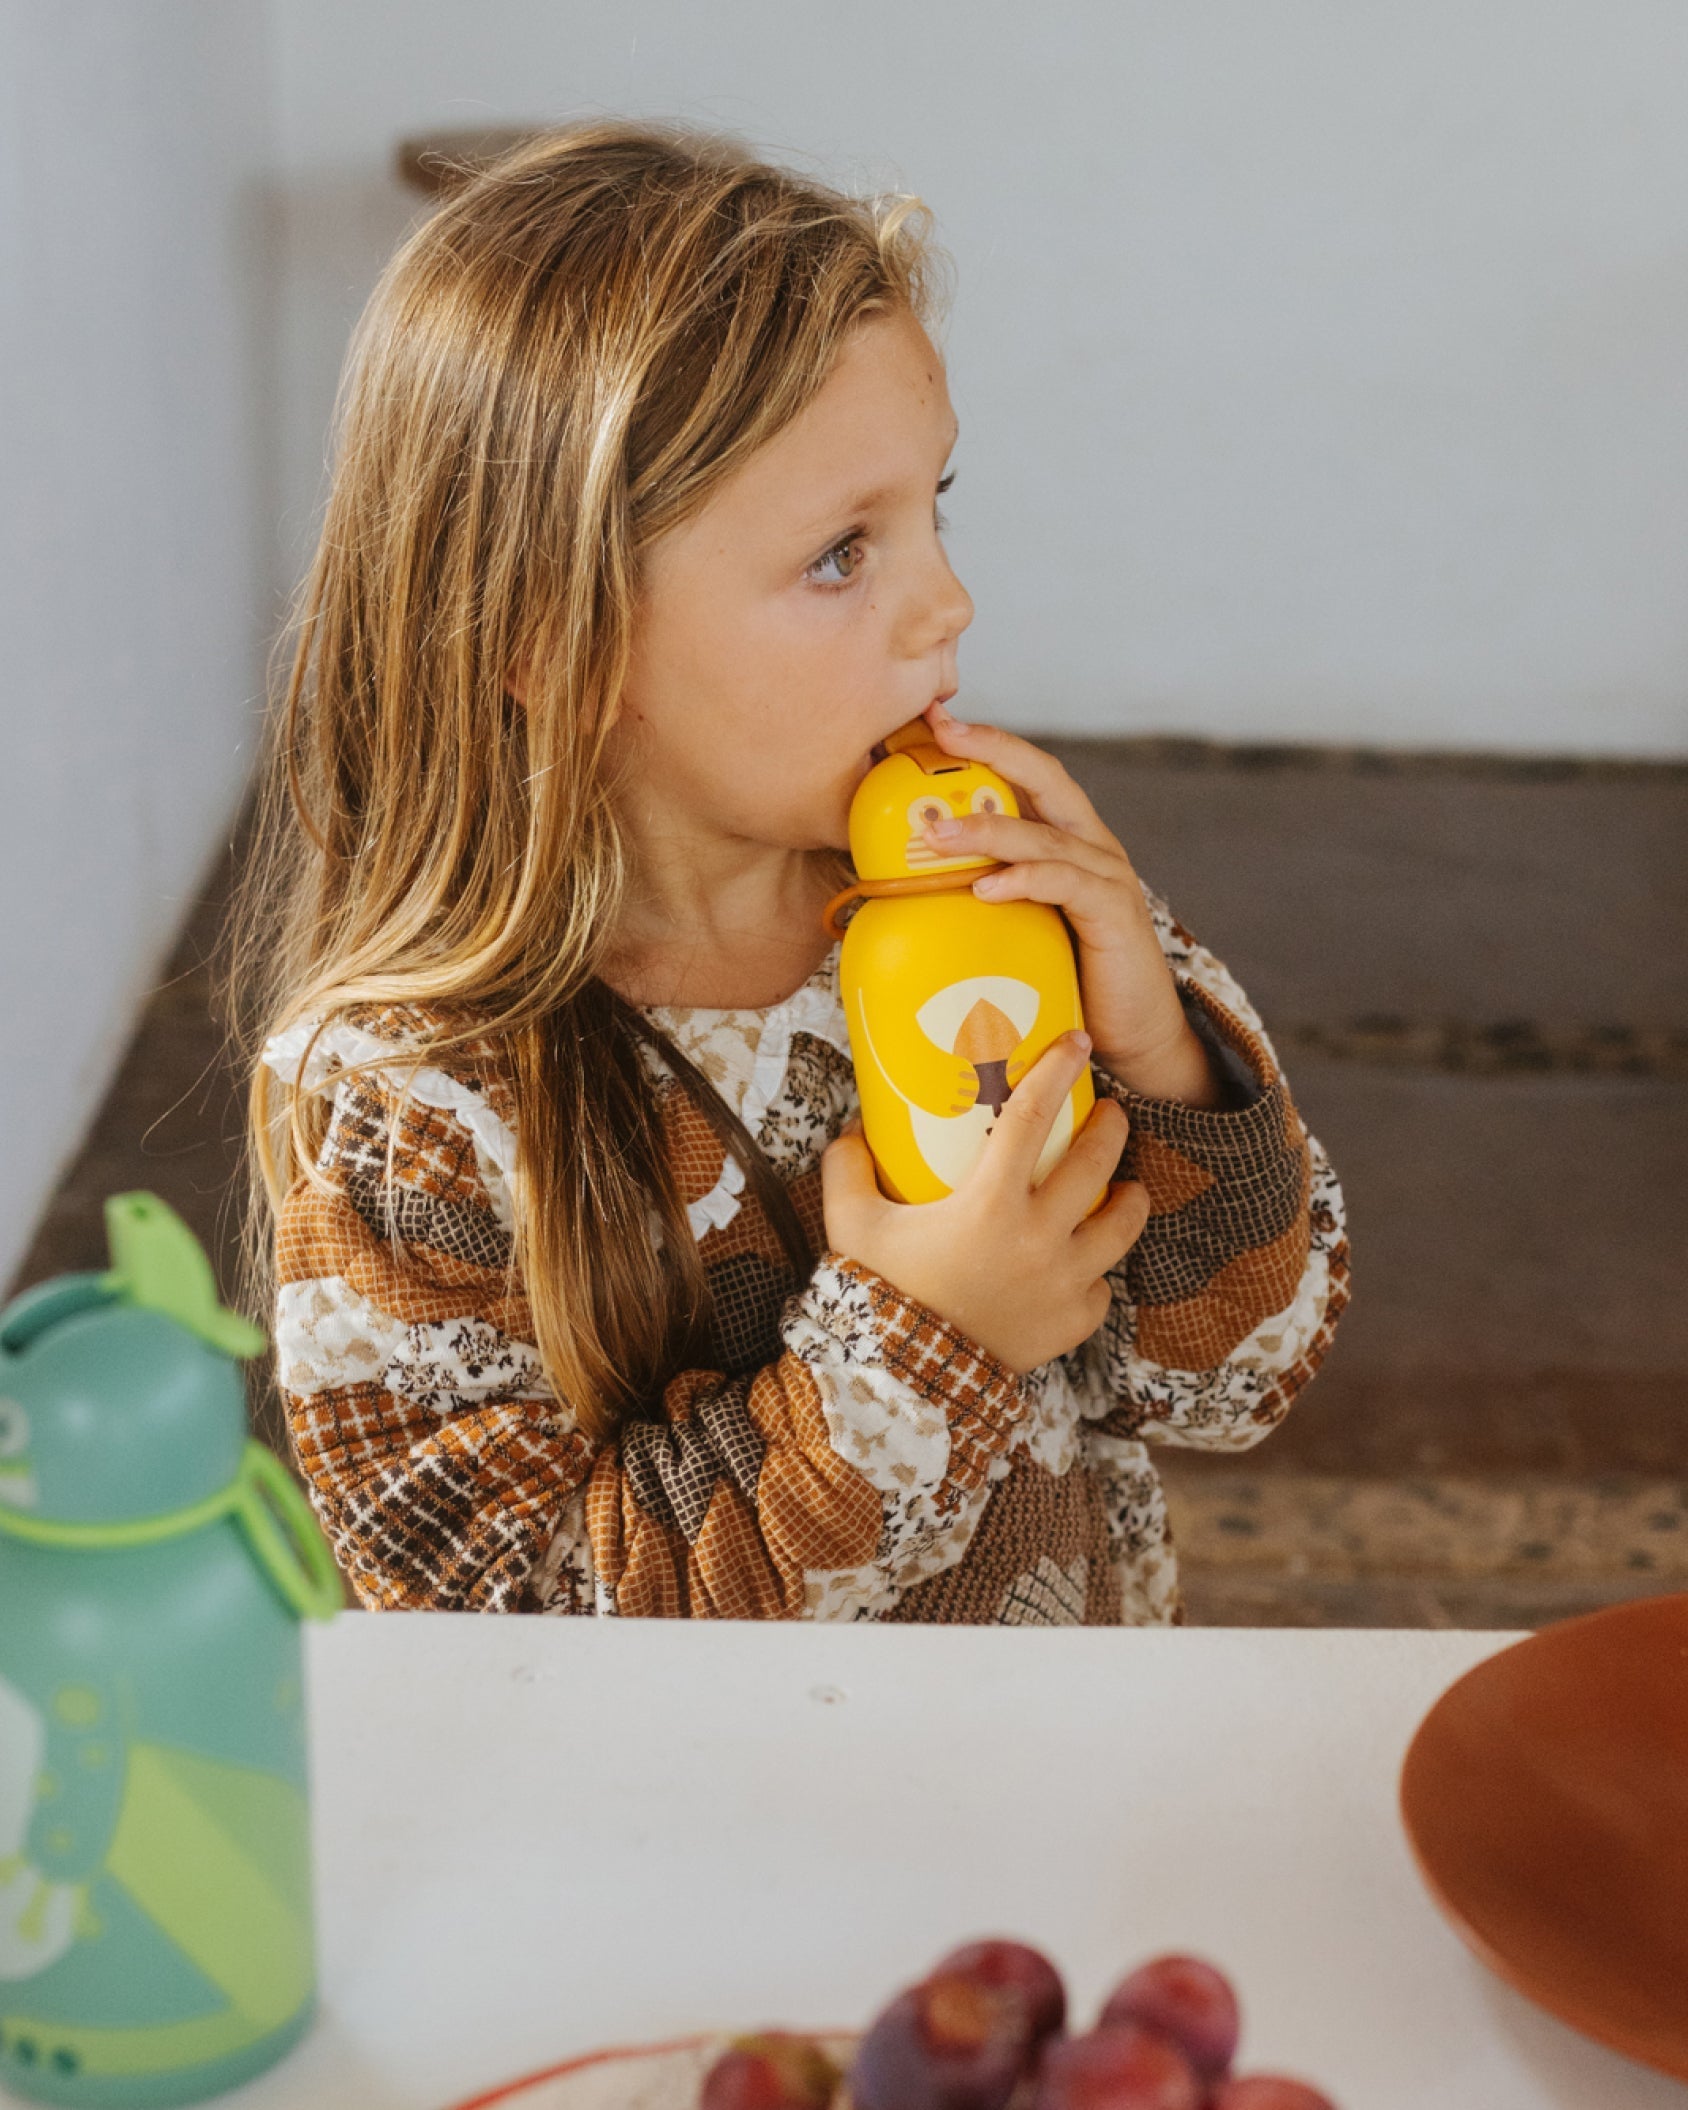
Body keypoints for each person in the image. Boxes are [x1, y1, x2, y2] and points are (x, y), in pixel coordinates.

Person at [229, 120, 1349, 1623]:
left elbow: (1240, 1382)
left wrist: (1166, 1062)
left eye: (935, 507)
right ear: (554, 642)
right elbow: (496, 1628)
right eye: (841, 554)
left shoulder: (1017, 917)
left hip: (1058, 1747)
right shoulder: (417, 1114)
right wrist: (924, 1348)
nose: (948, 602)